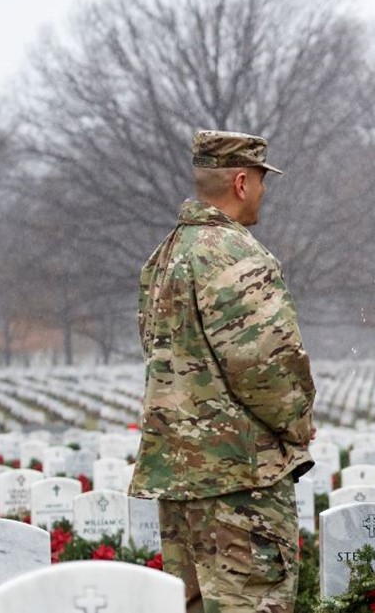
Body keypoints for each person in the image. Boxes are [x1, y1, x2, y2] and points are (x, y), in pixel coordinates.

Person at [129, 130, 317, 613]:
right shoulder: (236, 256)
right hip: (240, 483)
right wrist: (297, 426)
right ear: (240, 182)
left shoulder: (164, 256)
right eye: (260, 180)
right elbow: (267, 368)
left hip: (179, 480)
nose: (263, 191)